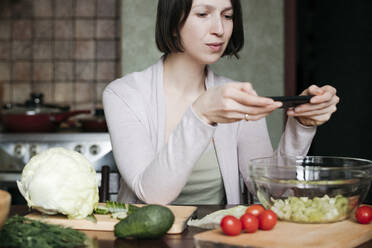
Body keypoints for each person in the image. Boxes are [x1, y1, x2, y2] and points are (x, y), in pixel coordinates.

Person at [103, 0, 339, 205]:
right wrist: (200, 115)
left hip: (220, 237)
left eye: (227, 16)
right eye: (203, 14)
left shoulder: (235, 96)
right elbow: (152, 194)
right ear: (173, 22)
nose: (219, 29)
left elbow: (272, 189)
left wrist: (302, 125)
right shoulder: (123, 94)